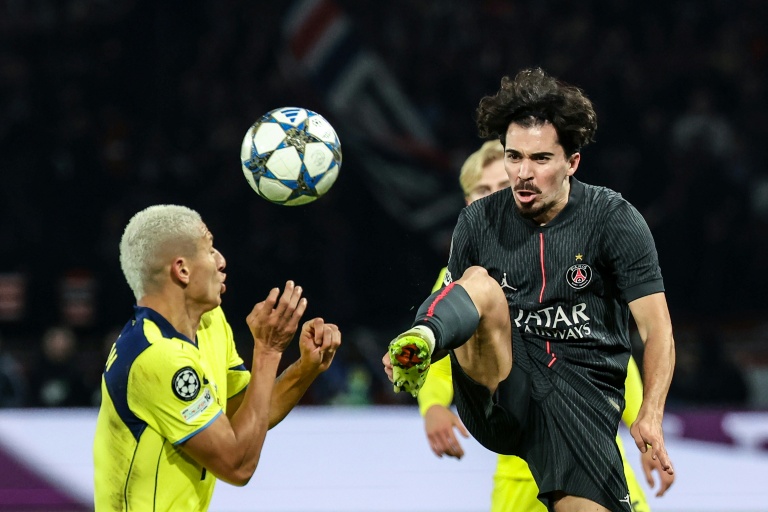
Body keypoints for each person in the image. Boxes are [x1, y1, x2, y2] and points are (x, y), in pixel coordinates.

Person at [383, 68, 676, 512]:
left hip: (579, 409)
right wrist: (426, 370)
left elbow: (657, 331)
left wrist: (649, 415)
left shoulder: (614, 221)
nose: (523, 173)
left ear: (572, 162)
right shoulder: (478, 222)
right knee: (478, 284)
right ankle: (420, 336)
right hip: (502, 393)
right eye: (514, 157)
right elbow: (459, 307)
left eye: (540, 159)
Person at [93, 204, 341, 511]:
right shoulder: (155, 357)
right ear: (182, 270)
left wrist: (305, 368)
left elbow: (245, 417)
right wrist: (268, 351)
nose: (222, 261)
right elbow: (237, 466)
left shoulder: (210, 323)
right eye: (209, 250)